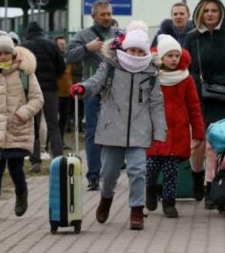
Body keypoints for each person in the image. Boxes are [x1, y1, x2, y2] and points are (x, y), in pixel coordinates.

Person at [71, 21, 167, 230]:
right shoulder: (110, 66)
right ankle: (106, 198)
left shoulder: (151, 73)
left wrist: (160, 131)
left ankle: (136, 210)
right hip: (112, 127)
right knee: (109, 173)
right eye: (131, 49)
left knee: (137, 169)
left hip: (139, 130)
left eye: (139, 51)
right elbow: (95, 82)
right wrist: (82, 87)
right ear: (124, 48)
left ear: (145, 52)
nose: (134, 53)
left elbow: (157, 104)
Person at [184, 0, 225, 208]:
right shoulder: (191, 38)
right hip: (196, 96)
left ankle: (212, 187)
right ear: (200, 13)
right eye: (206, 10)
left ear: (221, 14)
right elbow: (184, 67)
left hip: (222, 97)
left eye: (215, 11)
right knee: (198, 144)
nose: (210, 14)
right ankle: (196, 176)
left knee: (215, 145)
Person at [0, 32, 44, 222]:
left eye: (6, 52)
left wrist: (23, 113)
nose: (3, 57)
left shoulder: (25, 73)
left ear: (13, 53)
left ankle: (21, 193)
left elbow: (37, 99)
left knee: (15, 168)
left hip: (17, 128)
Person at [145, 34, 205, 218]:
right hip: (155, 131)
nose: (173, 59)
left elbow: (194, 107)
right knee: (151, 168)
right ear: (161, 57)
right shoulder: (151, 77)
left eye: (176, 56)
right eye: (169, 55)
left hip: (178, 131)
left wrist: (198, 133)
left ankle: (169, 203)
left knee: (171, 172)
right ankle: (150, 189)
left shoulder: (185, 79)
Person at [66, 0, 119, 190]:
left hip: (115, 89)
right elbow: (69, 56)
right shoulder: (83, 35)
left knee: (115, 131)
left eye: (109, 14)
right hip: (92, 89)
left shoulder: (117, 34)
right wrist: (86, 48)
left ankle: (113, 169)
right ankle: (94, 175)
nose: (107, 17)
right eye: (103, 14)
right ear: (94, 15)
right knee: (93, 132)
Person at [21, 21, 66, 173]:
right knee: (54, 124)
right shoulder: (52, 45)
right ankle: (58, 158)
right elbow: (62, 67)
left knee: (34, 125)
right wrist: (53, 76)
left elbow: (20, 69)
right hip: (50, 90)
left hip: (32, 91)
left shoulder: (24, 46)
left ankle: (35, 161)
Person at [55, 35, 72, 149]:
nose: (63, 46)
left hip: (67, 93)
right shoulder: (54, 57)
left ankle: (61, 141)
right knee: (53, 120)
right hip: (56, 93)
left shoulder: (68, 57)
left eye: (64, 44)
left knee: (64, 119)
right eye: (61, 44)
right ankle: (50, 143)